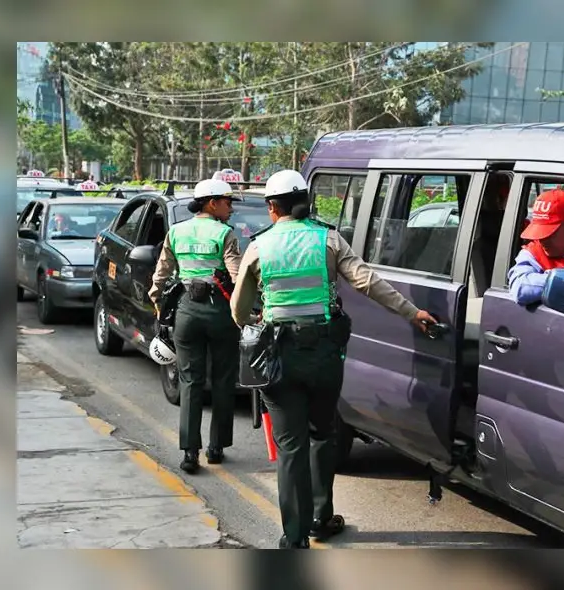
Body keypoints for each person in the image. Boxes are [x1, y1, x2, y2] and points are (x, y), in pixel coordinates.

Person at [230, 169, 438, 549]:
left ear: (274, 207)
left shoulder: (260, 247)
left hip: (279, 357)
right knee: (323, 434)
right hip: (324, 355)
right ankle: (320, 519)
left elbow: (239, 309)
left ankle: (294, 537)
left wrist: (256, 319)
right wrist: (412, 313)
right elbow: (369, 282)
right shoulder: (328, 239)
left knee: (290, 444)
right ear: (306, 203)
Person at [149, 178, 244, 474]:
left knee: (190, 380)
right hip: (219, 313)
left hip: (186, 312)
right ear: (212, 203)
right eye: (228, 202)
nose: (230, 208)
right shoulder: (225, 233)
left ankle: (190, 452)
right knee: (223, 379)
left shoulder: (176, 231)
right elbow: (237, 276)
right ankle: (216, 448)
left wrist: (156, 300)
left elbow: (162, 272)